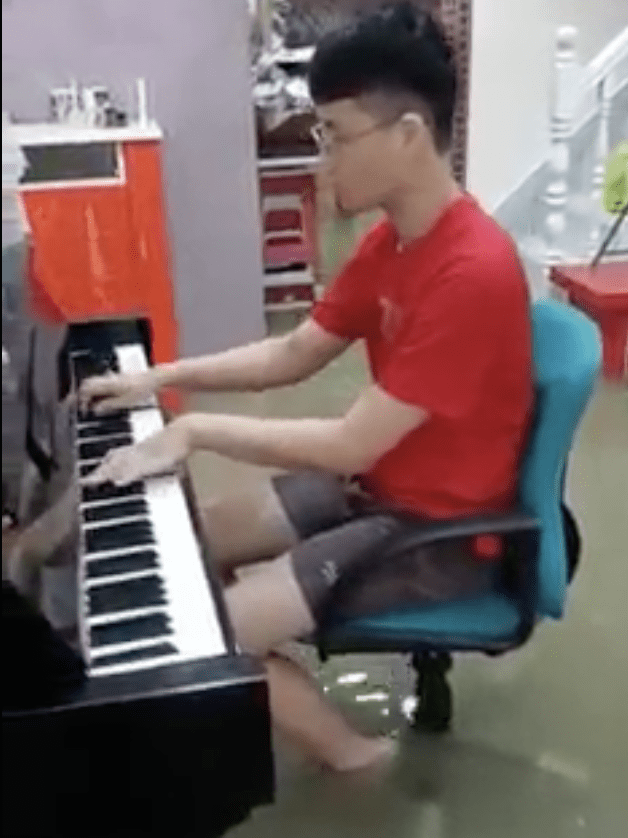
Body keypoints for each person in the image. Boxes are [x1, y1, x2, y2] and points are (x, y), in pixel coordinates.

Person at [9, 4, 533, 771]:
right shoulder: (394, 240)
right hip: (376, 486)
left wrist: (196, 430)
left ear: (408, 136)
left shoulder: (471, 272)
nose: (323, 159)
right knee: (188, 543)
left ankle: (360, 761)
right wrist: (159, 377)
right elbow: (295, 353)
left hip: (435, 532)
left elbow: (353, 437)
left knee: (204, 633)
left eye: (336, 135)